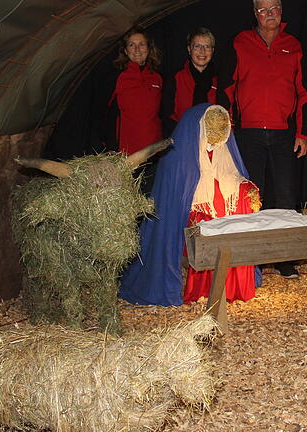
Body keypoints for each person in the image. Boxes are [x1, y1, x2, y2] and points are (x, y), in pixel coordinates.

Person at [119, 104, 258, 306]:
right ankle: (203, 285)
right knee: (205, 221)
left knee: (242, 204)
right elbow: (177, 197)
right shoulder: (177, 158)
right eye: (212, 128)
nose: (217, 135)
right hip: (195, 210)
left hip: (218, 208)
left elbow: (233, 175)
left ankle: (234, 282)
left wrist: (246, 189)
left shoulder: (223, 152)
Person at [224, 0, 307, 279]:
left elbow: (303, 95)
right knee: (253, 196)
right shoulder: (240, 41)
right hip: (248, 132)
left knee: (285, 195)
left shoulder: (294, 45)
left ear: (281, 10)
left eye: (274, 8)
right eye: (263, 9)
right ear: (255, 13)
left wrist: (302, 133)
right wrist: (227, 130)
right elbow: (229, 87)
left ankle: (285, 259)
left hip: (282, 132)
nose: (269, 14)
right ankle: (255, 261)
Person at [105, 26, 163, 156]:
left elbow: (162, 114)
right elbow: (108, 115)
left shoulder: (157, 77)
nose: (137, 49)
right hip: (126, 152)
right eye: (132, 45)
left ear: (148, 48)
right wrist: (111, 147)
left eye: (141, 44)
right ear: (125, 50)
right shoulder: (117, 77)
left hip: (153, 151)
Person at [161, 27, 225, 137]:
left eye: (207, 47)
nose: (202, 51)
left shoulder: (220, 81)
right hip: (181, 137)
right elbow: (167, 114)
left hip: (212, 141)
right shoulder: (176, 78)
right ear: (189, 49)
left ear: (213, 51)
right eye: (197, 46)